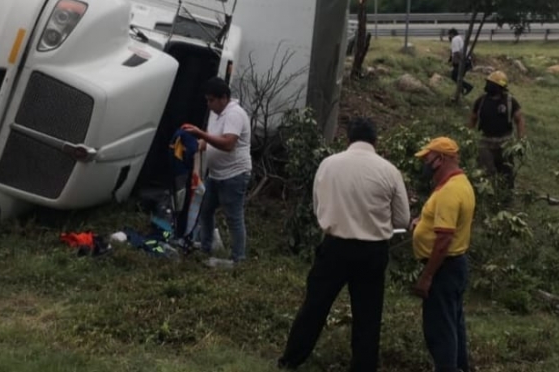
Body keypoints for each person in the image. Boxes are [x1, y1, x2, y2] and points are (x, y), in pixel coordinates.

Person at [278, 117, 411, 371]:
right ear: (375, 140)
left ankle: (291, 360)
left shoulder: (329, 165)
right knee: (367, 315)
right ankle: (363, 367)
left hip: (335, 247)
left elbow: (319, 207)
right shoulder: (389, 170)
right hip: (372, 251)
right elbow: (403, 218)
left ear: (348, 138)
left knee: (315, 306)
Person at [412, 137, 476, 372]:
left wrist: (427, 276)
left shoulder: (449, 191)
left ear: (441, 159)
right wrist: (421, 224)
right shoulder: (460, 183)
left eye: (427, 159)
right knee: (453, 324)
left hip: (443, 268)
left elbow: (444, 240)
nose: (425, 163)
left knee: (440, 330)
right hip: (454, 266)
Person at [182, 77, 252, 265]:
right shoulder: (216, 114)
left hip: (234, 175)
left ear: (223, 98)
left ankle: (238, 258)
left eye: (211, 100)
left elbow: (228, 143)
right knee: (206, 210)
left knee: (234, 217)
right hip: (216, 174)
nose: (209, 104)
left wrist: (201, 133)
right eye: (207, 100)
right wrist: (193, 144)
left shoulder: (234, 114)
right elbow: (210, 139)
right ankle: (206, 246)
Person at [469, 70, 525, 190]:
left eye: (491, 84)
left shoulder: (510, 101)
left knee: (506, 172)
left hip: (505, 143)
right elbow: (473, 119)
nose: (488, 86)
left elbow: (519, 119)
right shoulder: (481, 101)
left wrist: (521, 140)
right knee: (485, 172)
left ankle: (506, 197)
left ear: (500, 87)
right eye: (488, 83)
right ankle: (488, 197)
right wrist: (468, 135)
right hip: (485, 142)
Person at [448, 28, 473, 96]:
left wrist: (456, 63)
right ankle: (460, 91)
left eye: (449, 35)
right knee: (458, 77)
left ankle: (468, 87)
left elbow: (456, 52)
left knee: (455, 76)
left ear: (452, 34)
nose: (449, 37)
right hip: (466, 61)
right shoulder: (460, 38)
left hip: (462, 61)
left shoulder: (455, 39)